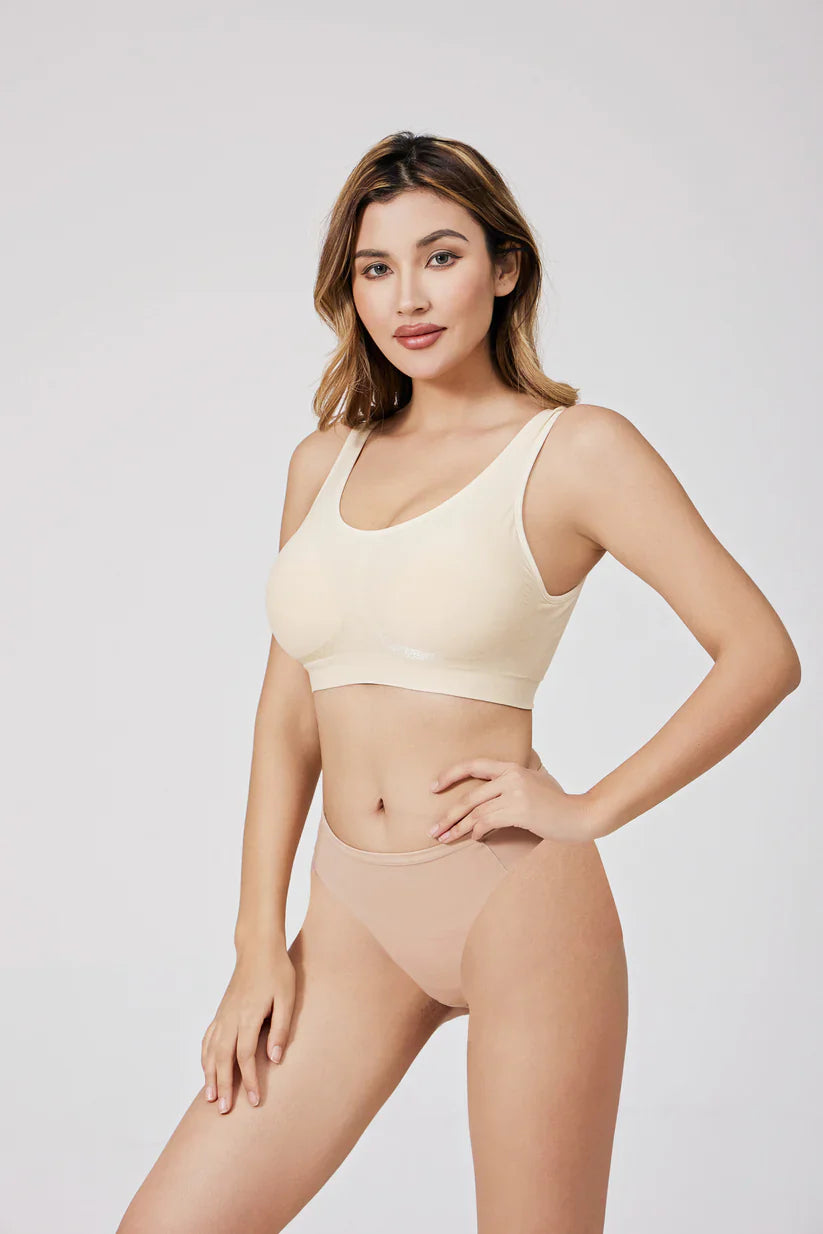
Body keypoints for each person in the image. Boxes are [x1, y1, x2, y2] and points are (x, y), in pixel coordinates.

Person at [116, 130, 801, 1234]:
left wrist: (587, 807)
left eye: (440, 256)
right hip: (349, 915)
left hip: (514, 902)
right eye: (375, 267)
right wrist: (255, 944)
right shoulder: (322, 462)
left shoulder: (575, 450)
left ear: (504, 266)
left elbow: (760, 653)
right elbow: (288, 714)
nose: (408, 297)